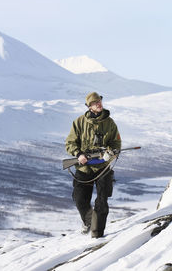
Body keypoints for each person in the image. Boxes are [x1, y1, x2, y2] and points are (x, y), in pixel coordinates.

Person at [65, 92, 121, 238]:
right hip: (84, 168)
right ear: (89, 107)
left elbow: (116, 144)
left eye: (100, 101)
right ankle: (89, 221)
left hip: (103, 168)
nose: (99, 104)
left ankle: (97, 235)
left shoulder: (110, 123)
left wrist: (111, 153)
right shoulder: (78, 122)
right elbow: (70, 143)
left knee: (102, 201)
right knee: (79, 199)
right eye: (95, 102)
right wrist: (79, 154)